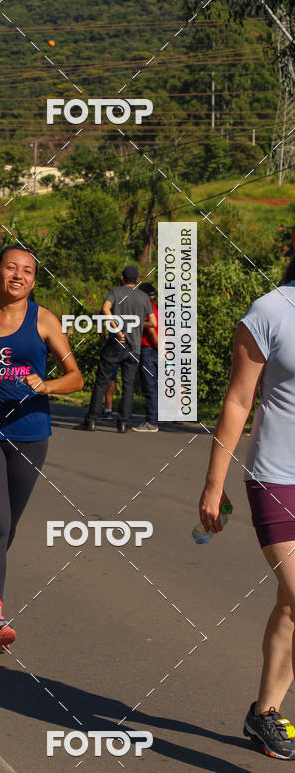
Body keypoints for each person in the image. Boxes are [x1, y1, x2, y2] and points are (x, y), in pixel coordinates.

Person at [0, 244, 83, 653]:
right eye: (10, 268)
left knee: (9, 525)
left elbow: (75, 377)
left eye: (26, 270)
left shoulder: (45, 320)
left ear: (34, 280)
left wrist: (47, 385)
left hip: (31, 431)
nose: (18, 275)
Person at [199, 256, 295, 760]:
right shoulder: (270, 312)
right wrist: (214, 485)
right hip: (277, 479)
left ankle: (264, 715)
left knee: (290, 603)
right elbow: (239, 400)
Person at [79, 266, 155, 433]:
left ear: (122, 278)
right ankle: (122, 423)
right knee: (128, 385)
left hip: (114, 343)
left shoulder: (115, 292)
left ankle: (91, 420)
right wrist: (137, 324)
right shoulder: (143, 297)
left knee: (102, 381)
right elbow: (153, 323)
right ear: (137, 280)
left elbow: (104, 310)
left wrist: (113, 330)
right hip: (134, 346)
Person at [132, 282, 159, 433]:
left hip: (150, 350)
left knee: (150, 386)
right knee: (156, 385)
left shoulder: (146, 310)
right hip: (155, 349)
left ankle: (151, 422)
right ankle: (156, 417)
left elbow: (152, 332)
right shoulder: (155, 308)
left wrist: (158, 348)